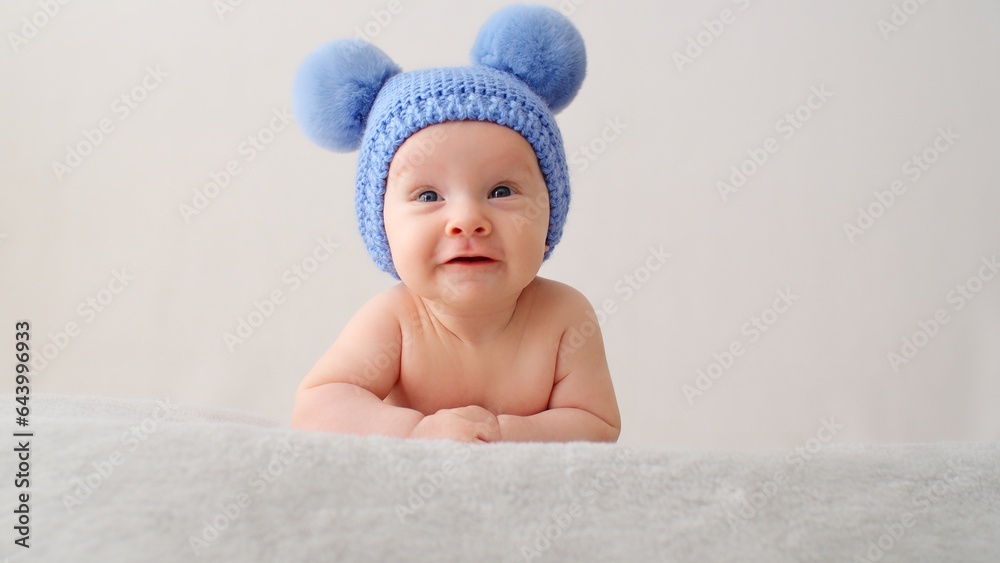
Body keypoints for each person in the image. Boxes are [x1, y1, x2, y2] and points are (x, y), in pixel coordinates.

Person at [290, 5, 619, 442]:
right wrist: (417, 430)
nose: (467, 220)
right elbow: (318, 406)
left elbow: (596, 424)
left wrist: (500, 435)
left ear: (551, 212)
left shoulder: (563, 318)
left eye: (502, 191)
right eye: (428, 196)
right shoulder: (396, 321)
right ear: (382, 227)